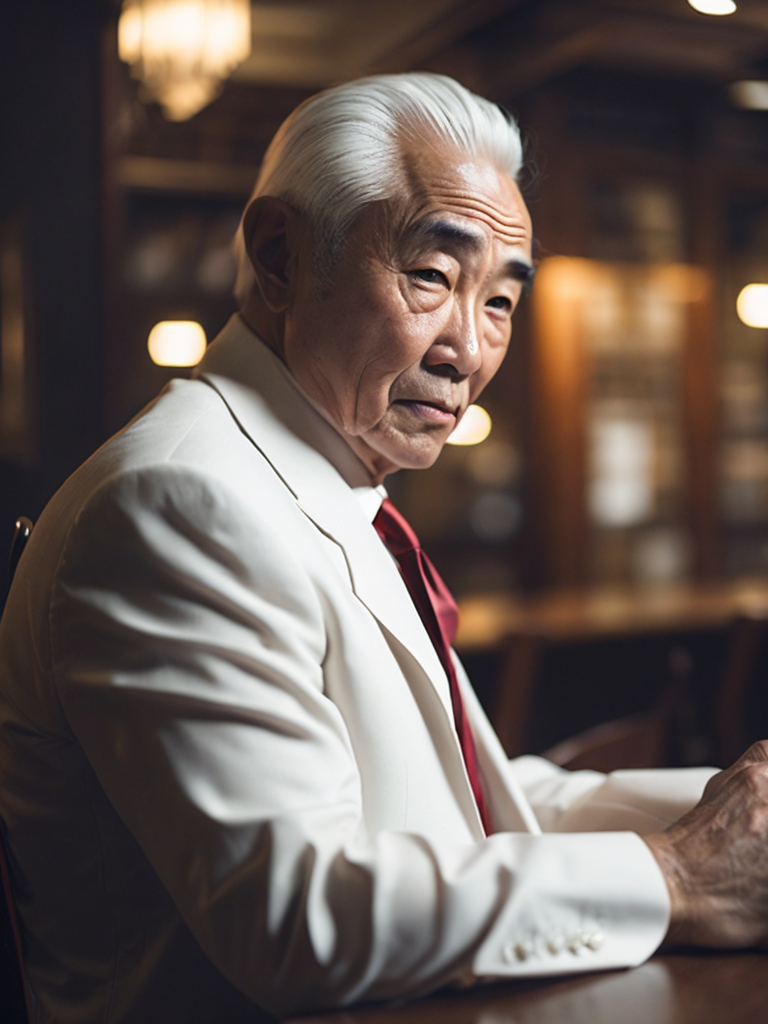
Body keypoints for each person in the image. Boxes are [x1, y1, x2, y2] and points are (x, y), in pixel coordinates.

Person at [0, 72, 767, 1024]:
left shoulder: (302, 478)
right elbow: (298, 914)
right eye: (435, 277)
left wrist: (726, 813)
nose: (469, 350)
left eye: (499, 302)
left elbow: (462, 801)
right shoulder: (178, 501)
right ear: (281, 257)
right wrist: (679, 875)